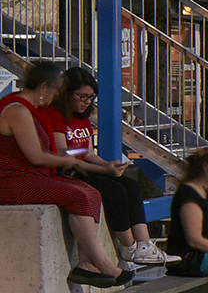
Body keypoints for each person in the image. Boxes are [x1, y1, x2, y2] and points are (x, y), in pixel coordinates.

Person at [0, 59, 126, 285]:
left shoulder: (30, 109)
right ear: (44, 87)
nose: (56, 97)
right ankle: (103, 263)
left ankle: (86, 265)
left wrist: (72, 160)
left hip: (33, 176)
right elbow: (35, 156)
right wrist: (71, 162)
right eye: (56, 90)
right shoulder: (17, 110)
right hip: (12, 181)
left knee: (92, 192)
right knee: (76, 195)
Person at [46, 65, 166, 267]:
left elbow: (89, 154)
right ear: (67, 93)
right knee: (115, 190)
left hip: (84, 167)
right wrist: (104, 170)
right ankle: (129, 247)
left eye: (91, 97)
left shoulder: (82, 118)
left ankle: (144, 244)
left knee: (131, 185)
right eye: (81, 96)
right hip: (67, 171)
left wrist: (109, 164)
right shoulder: (56, 115)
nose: (86, 102)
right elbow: (63, 154)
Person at [168, 147, 208, 278]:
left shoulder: (207, 193)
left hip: (206, 255)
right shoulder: (189, 196)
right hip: (190, 259)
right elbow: (195, 240)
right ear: (207, 169)